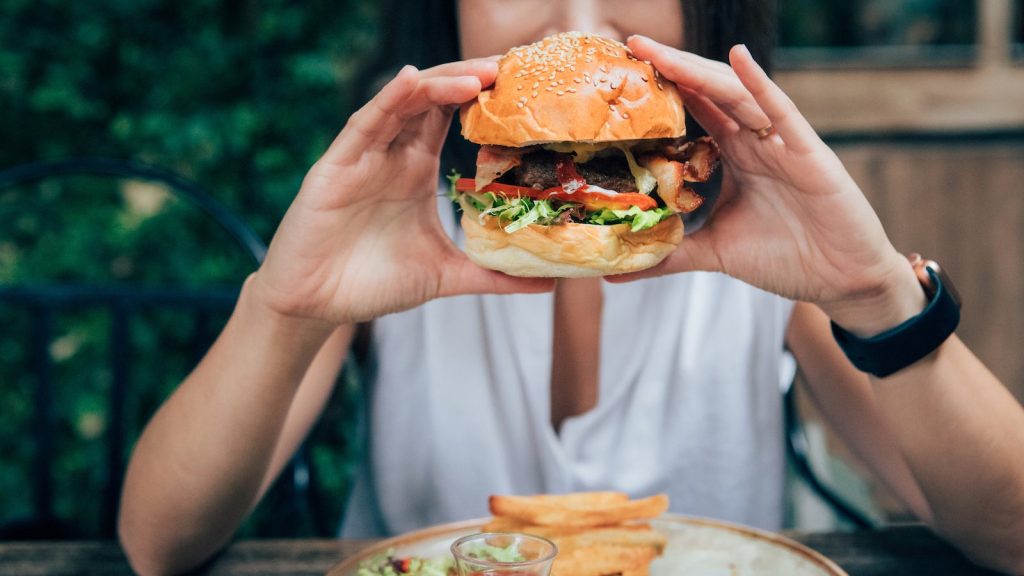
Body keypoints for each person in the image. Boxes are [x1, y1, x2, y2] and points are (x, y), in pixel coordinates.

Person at [118, 1, 1024, 575]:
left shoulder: (765, 246)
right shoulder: (390, 229)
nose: (574, 21)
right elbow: (159, 545)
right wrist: (285, 306)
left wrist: (875, 296)